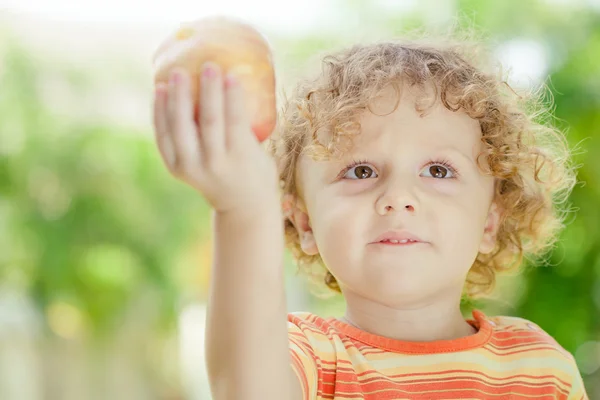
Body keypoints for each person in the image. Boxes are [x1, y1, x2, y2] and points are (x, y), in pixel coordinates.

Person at [152, 34, 589, 399]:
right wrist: (242, 210)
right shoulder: (308, 357)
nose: (398, 197)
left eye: (438, 170)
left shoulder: (540, 368)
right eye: (361, 171)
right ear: (305, 224)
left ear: (490, 222)